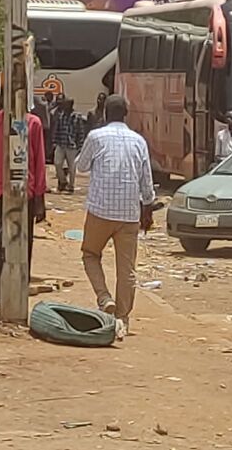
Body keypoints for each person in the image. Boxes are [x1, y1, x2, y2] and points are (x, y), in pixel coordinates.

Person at [77, 95, 155, 341]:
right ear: (126, 113)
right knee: (127, 269)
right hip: (129, 215)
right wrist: (148, 210)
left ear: (104, 113)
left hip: (100, 210)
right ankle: (123, 318)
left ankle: (104, 298)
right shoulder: (139, 141)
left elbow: (81, 166)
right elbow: (147, 182)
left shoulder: (96, 137)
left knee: (90, 254)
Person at [0, 93, 47, 321]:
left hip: (23, 195)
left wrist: (39, 199)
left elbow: (38, 161)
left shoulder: (32, 124)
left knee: (21, 249)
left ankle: (18, 299)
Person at [52, 97, 86, 193]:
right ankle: (63, 181)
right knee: (57, 163)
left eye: (66, 104)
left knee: (72, 167)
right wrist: (54, 141)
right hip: (61, 143)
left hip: (72, 145)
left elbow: (81, 132)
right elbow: (56, 129)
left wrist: (80, 145)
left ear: (70, 105)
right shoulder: (61, 116)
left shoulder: (77, 117)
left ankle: (71, 186)